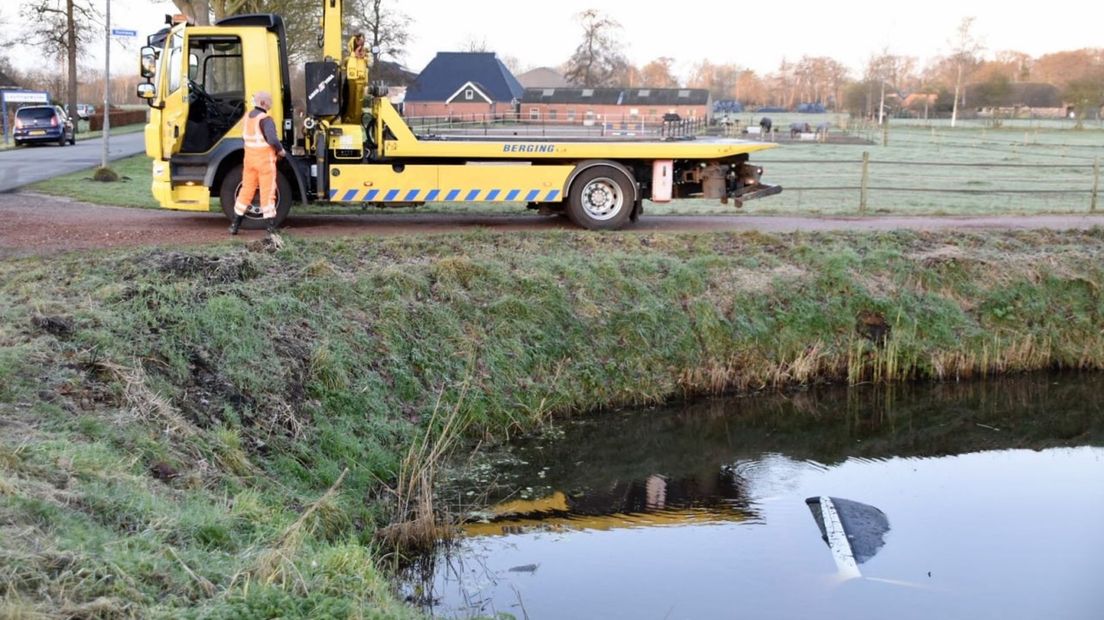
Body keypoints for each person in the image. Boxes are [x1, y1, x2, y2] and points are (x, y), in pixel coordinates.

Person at [229, 90, 286, 235]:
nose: (271, 103)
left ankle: (235, 225)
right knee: (267, 192)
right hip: (264, 162)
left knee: (246, 191)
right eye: (269, 101)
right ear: (263, 103)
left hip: (249, 161)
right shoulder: (265, 119)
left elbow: (245, 138)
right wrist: (280, 151)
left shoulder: (248, 117)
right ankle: (271, 228)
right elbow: (272, 139)